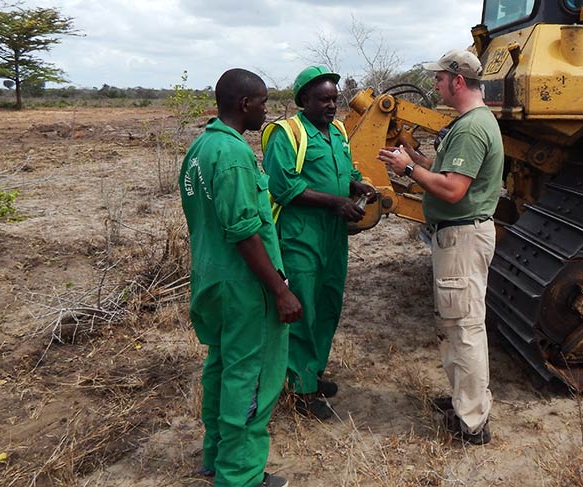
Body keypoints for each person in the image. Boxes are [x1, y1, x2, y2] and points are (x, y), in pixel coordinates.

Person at [179, 68, 301, 487]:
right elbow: (244, 232)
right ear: (245, 104)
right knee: (251, 378)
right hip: (245, 286)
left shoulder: (201, 147)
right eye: (264, 102)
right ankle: (241, 476)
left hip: (212, 278)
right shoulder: (231, 155)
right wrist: (280, 290)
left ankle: (216, 454)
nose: (266, 110)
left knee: (223, 366)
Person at [378, 49, 504, 445]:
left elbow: (452, 188)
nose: (434, 85)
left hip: (462, 237)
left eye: (438, 79)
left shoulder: (470, 128)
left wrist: (409, 170)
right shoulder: (472, 123)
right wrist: (412, 155)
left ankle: (472, 423)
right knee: (454, 323)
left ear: (458, 82)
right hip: (460, 236)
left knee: (464, 327)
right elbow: (447, 171)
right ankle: (464, 400)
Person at [262, 65, 377, 420]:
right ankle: (301, 390)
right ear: (303, 101)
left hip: (333, 236)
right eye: (323, 99)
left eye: (334, 98)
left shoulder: (339, 131)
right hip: (301, 235)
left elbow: (347, 170)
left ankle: (313, 371)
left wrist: (356, 186)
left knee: (328, 304)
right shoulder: (287, 134)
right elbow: (284, 187)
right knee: (304, 309)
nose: (331, 105)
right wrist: (334, 202)